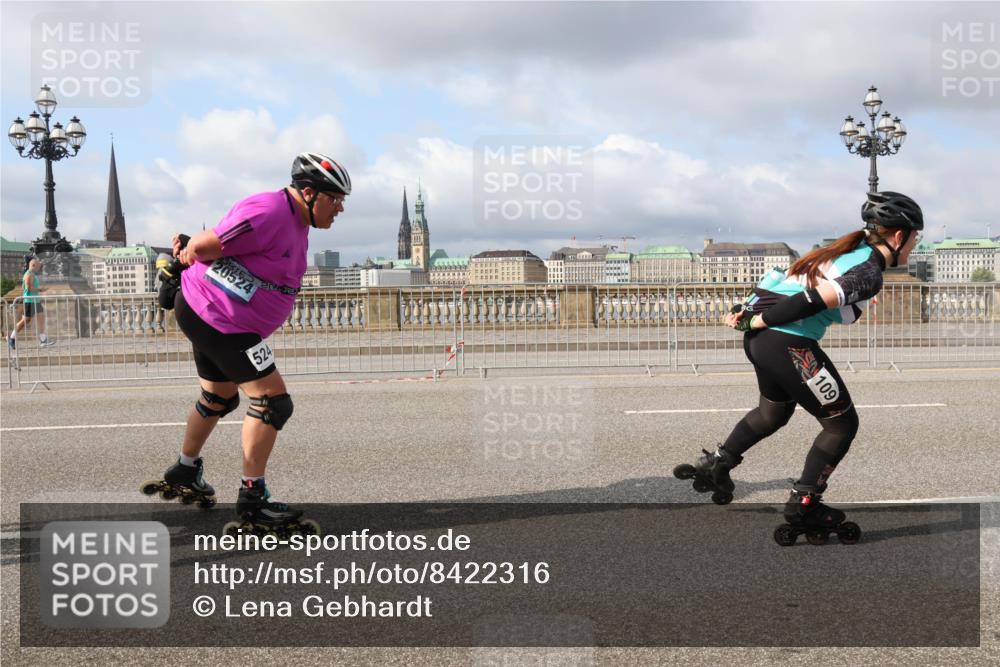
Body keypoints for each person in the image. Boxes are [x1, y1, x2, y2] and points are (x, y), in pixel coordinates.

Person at [675, 191, 923, 539]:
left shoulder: (841, 253)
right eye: (916, 238)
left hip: (764, 344)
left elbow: (779, 279)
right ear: (899, 237)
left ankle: (718, 463)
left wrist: (746, 312)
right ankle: (804, 502)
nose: (914, 245)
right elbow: (809, 300)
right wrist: (759, 320)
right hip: (785, 342)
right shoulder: (867, 270)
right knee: (841, 424)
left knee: (772, 413)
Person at [142, 152, 350, 534]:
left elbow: (235, 254)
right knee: (273, 401)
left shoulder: (295, 218)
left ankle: (185, 470)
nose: (339, 209)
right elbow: (207, 246)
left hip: (213, 313)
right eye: (335, 199)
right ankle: (253, 498)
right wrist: (188, 254)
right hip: (220, 319)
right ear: (309, 192)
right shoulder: (271, 211)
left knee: (219, 397)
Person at [8, 258, 55, 349]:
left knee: (41, 317)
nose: (39, 268)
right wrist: (40, 289)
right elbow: (28, 288)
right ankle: (11, 338)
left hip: (35, 300)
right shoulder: (29, 274)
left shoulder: (32, 274)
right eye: (38, 266)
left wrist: (38, 290)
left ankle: (43, 339)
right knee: (25, 320)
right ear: (33, 265)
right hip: (29, 301)